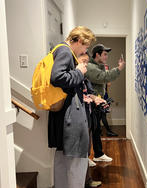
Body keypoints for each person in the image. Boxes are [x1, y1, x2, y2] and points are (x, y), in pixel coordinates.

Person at [48, 26, 95, 188]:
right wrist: (79, 72)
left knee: (62, 160)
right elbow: (57, 77)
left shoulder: (59, 49)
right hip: (70, 118)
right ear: (80, 41)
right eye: (85, 47)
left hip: (64, 116)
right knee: (77, 163)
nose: (84, 51)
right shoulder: (66, 51)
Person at [85, 43, 126, 162]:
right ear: (97, 54)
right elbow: (103, 77)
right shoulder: (91, 67)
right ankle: (86, 158)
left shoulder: (98, 66)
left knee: (96, 129)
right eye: (104, 54)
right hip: (91, 103)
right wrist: (119, 68)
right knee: (90, 130)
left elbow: (104, 78)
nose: (106, 57)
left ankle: (98, 154)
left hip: (97, 103)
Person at [77, 53, 103, 187]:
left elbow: (89, 94)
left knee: (86, 152)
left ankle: (87, 181)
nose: (86, 64)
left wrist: (95, 98)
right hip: (79, 121)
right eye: (84, 61)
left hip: (88, 119)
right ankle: (83, 182)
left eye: (87, 62)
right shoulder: (74, 78)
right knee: (81, 155)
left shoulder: (85, 78)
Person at [101, 63, 118, 137]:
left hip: (105, 96)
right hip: (100, 97)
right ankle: (108, 131)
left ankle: (99, 131)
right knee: (102, 115)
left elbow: (108, 85)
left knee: (101, 115)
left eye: (107, 68)